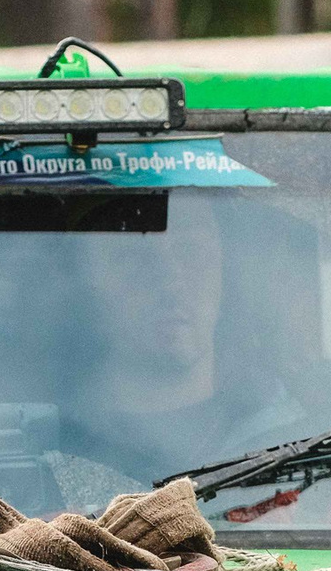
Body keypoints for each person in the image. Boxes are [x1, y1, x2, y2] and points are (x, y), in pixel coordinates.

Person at [57, 194, 304, 509]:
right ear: (84, 283)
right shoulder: (50, 453)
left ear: (224, 267)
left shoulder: (307, 435)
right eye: (132, 258)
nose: (170, 280)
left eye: (190, 250)